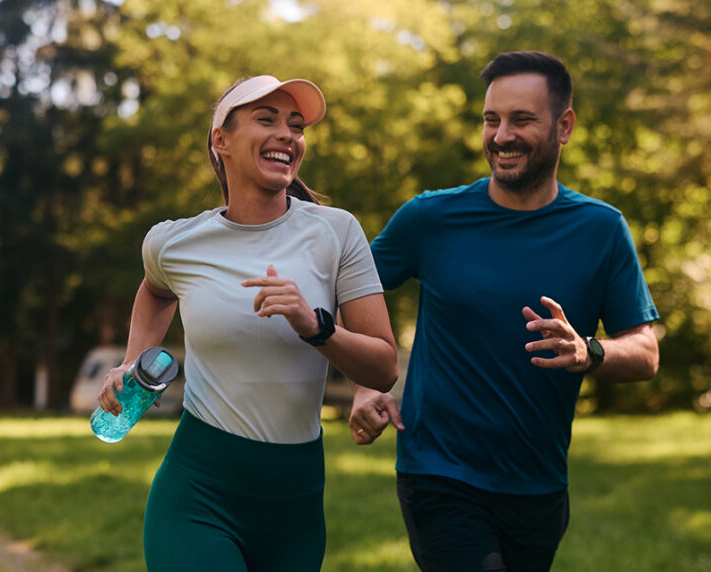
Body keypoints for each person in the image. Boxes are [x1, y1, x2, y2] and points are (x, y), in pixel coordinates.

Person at [348, 52, 661, 572]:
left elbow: (646, 352)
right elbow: (352, 293)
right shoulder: (429, 218)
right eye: (491, 120)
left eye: (521, 119)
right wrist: (366, 381)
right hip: (439, 473)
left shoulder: (601, 229)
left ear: (564, 127)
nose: (501, 135)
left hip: (538, 485)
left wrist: (589, 350)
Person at [97, 75, 398, 572]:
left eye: (296, 126)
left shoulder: (337, 232)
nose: (288, 135)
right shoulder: (175, 243)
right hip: (198, 494)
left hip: (296, 504)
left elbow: (384, 367)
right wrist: (132, 360)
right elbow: (155, 290)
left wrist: (315, 325)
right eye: (267, 119)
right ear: (221, 141)